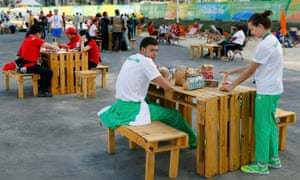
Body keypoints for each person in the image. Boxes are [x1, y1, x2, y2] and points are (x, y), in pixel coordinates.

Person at [97, 37, 197, 147]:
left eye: (156, 50)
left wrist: (160, 70)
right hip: (133, 110)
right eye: (152, 50)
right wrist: (167, 75)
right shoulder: (146, 62)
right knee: (175, 115)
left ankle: (171, 134)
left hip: (120, 104)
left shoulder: (132, 58)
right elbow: (167, 87)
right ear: (143, 50)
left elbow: (151, 69)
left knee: (153, 103)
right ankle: (193, 141)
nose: (155, 53)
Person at [219, 10, 283, 175]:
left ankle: (261, 164)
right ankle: (274, 159)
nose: (251, 33)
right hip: (274, 89)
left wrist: (231, 85)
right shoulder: (273, 40)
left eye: (252, 29)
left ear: (260, 26)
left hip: (266, 91)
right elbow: (254, 66)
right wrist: (234, 71)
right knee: (269, 124)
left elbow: (250, 72)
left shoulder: (264, 44)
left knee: (261, 127)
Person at [16, 24, 59, 97]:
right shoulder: (35, 39)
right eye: (40, 33)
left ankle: (40, 87)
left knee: (42, 67)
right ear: (38, 33)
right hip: (29, 66)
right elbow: (49, 46)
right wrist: (56, 47)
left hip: (22, 65)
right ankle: (43, 91)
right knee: (48, 72)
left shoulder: (26, 39)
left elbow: (19, 53)